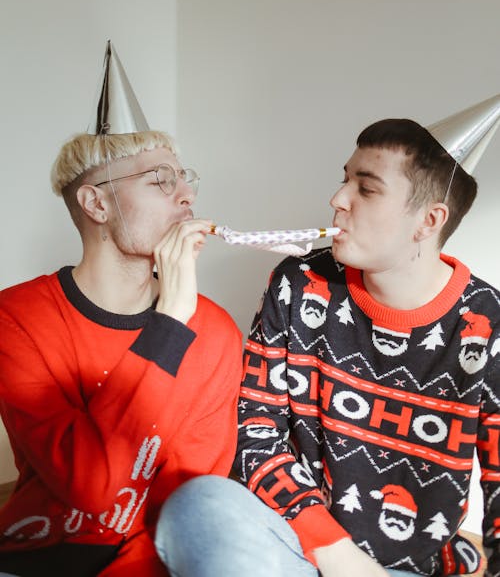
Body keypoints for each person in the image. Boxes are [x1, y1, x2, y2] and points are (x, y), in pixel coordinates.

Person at [155, 97, 499, 577]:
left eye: (368, 188)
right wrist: (341, 560)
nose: (338, 199)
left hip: (414, 568)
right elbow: (258, 437)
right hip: (296, 548)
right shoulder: (297, 283)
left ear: (429, 221)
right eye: (345, 178)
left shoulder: (489, 324)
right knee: (197, 504)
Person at [0, 43, 243, 577]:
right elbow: (91, 483)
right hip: (35, 557)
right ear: (97, 204)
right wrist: (169, 326)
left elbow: (188, 502)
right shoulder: (15, 319)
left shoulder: (217, 332)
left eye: (185, 180)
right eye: (160, 180)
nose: (185, 197)